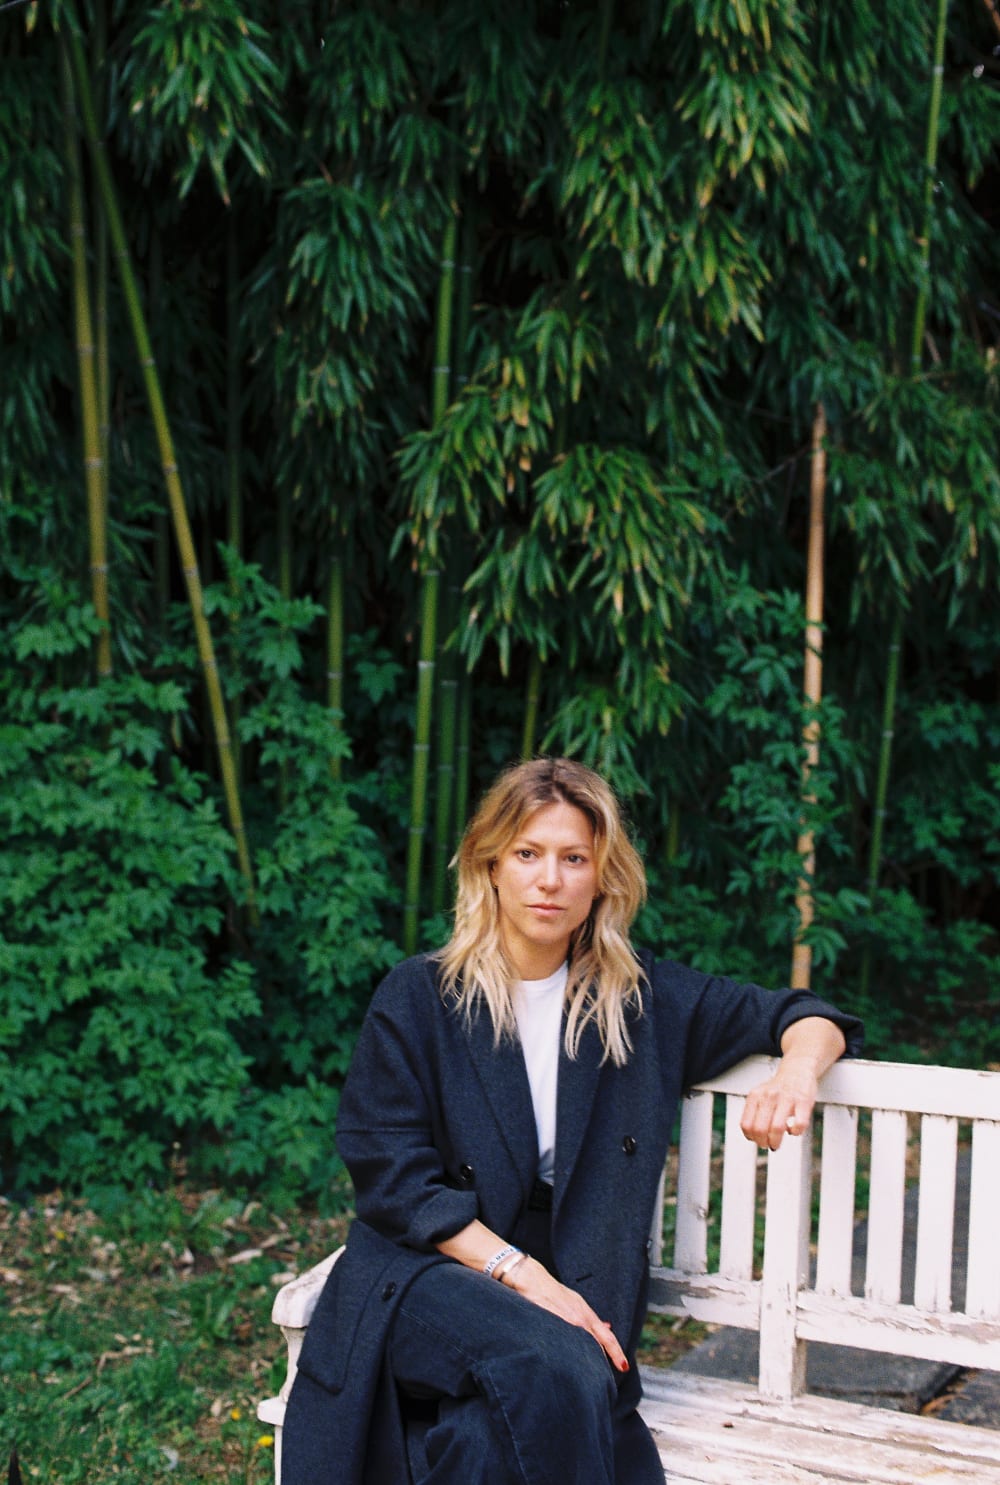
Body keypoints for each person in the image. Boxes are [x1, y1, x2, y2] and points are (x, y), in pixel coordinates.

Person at [282, 758, 863, 1485]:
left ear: (602, 878)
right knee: (558, 1361)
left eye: (573, 858)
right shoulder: (421, 997)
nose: (549, 880)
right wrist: (525, 1277)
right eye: (528, 853)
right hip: (428, 1268)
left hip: (571, 1273)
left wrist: (797, 1071)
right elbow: (392, 1179)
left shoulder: (639, 1001)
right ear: (491, 867)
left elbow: (807, 1015)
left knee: (485, 1438)